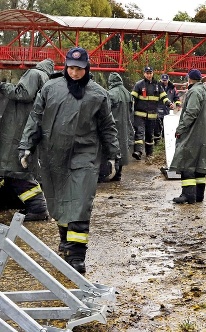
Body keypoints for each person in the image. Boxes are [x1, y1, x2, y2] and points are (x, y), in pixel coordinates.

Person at [19, 47, 120, 274]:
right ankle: (65, 243)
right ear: (65, 66)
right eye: (71, 68)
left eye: (79, 69)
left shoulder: (98, 94)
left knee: (81, 203)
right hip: (54, 156)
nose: (74, 73)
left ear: (87, 68)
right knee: (60, 203)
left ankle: (77, 255)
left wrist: (113, 156)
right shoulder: (50, 88)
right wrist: (26, 146)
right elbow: (35, 118)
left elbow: (107, 127)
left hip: (85, 156)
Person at [0, 58, 54, 221]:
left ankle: (38, 207)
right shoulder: (46, 80)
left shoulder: (34, 73)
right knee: (13, 171)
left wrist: (3, 86)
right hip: (26, 128)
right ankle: (33, 206)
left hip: (17, 127)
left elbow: (23, 93)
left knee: (16, 170)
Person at [169, 69, 206, 204]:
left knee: (187, 162)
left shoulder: (195, 92)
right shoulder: (205, 91)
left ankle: (188, 195)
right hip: (203, 133)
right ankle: (198, 195)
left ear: (190, 79)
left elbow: (191, 112)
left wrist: (180, 129)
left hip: (193, 134)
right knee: (200, 165)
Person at [98, 72, 134, 182]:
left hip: (113, 126)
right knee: (123, 148)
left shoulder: (110, 94)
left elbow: (105, 111)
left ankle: (110, 174)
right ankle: (118, 174)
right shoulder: (128, 93)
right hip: (126, 125)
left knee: (111, 148)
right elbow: (131, 110)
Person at [130, 66, 171, 161]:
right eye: (147, 73)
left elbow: (164, 97)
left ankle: (149, 154)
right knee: (139, 133)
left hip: (152, 115)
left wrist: (169, 104)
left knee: (149, 135)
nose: (149, 75)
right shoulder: (139, 85)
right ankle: (138, 152)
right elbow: (133, 98)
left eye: (150, 73)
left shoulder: (158, 85)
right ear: (144, 74)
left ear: (153, 73)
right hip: (140, 114)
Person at [153, 73, 181, 144]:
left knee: (166, 126)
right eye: (163, 80)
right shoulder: (157, 87)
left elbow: (176, 97)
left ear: (168, 80)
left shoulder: (172, 87)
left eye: (165, 80)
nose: (164, 82)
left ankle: (164, 139)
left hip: (168, 110)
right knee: (158, 125)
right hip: (158, 108)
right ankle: (157, 140)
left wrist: (178, 104)